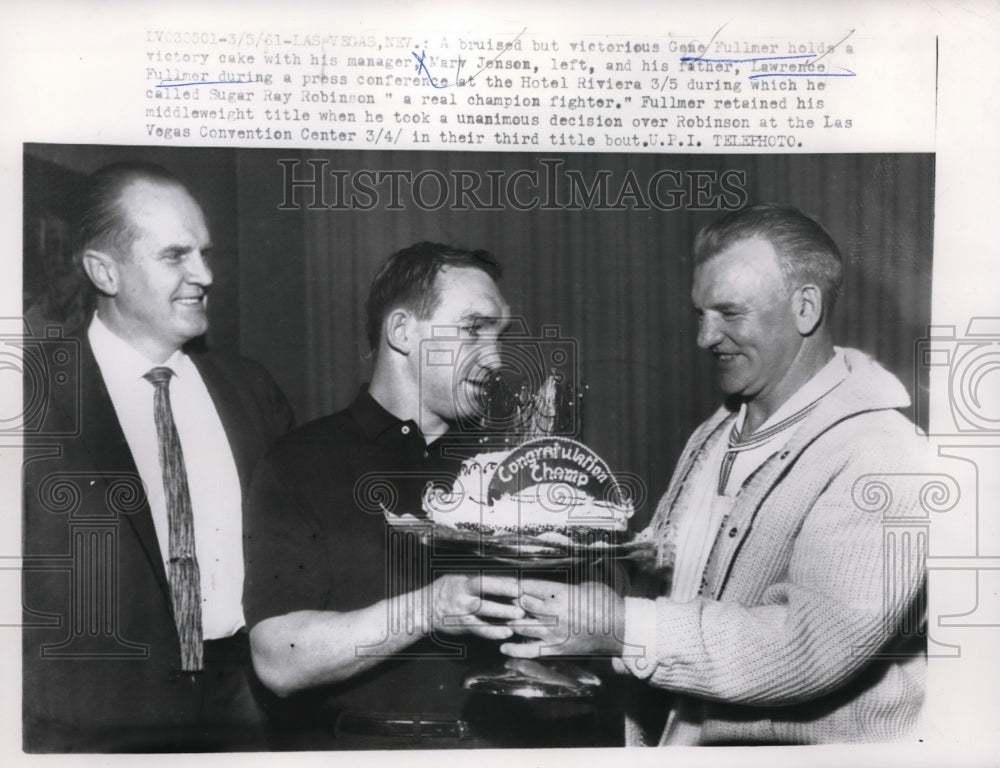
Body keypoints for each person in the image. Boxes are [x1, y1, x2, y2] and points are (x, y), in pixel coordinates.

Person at [499, 204, 927, 744]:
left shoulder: (882, 454)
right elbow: (691, 579)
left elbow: (809, 645)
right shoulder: (718, 431)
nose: (705, 337)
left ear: (806, 308)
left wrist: (620, 625)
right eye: (700, 313)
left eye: (729, 313)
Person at [243, 242, 601, 749]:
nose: (495, 358)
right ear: (404, 332)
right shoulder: (298, 462)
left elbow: (598, 611)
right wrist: (431, 608)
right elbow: (280, 659)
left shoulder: (517, 462)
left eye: (500, 335)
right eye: (474, 328)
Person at [22, 162, 295, 752]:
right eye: (176, 255)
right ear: (104, 270)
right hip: (96, 730)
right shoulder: (30, 400)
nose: (205, 274)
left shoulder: (251, 390)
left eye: (205, 252)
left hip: (250, 715)